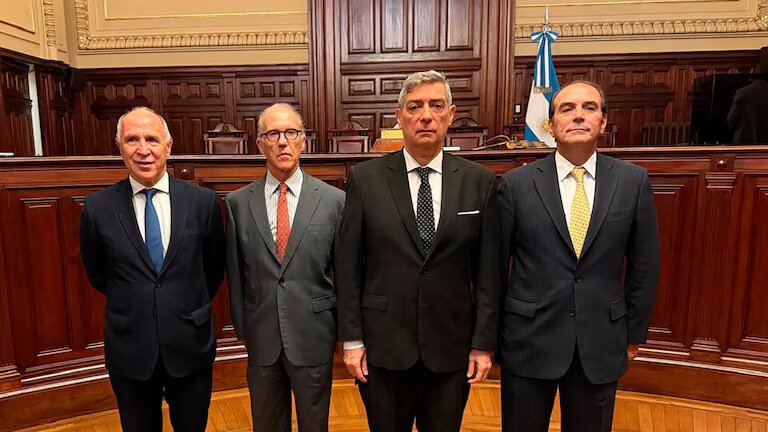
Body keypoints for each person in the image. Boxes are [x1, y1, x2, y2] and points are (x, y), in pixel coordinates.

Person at [336, 70, 500, 432]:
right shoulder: (365, 179)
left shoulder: (479, 181)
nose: (426, 115)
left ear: (451, 115)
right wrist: (352, 339)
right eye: (415, 107)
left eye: (436, 105)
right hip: (382, 348)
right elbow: (348, 267)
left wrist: (483, 344)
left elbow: (489, 273)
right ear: (400, 117)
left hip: (451, 349)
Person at [497, 80, 661, 431]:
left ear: (603, 121)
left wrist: (633, 333)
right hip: (528, 340)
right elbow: (495, 269)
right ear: (551, 123)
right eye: (567, 108)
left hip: (601, 340)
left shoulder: (632, 182)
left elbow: (644, 266)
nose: (578, 116)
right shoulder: (516, 184)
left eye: (589, 108)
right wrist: (492, 337)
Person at [79, 106, 225, 431]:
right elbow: (98, 274)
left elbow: (213, 270)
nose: (143, 149)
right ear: (119, 147)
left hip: (190, 345)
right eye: (132, 139)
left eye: (152, 139)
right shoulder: (98, 207)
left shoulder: (202, 202)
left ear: (168, 146)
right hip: (130, 349)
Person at [224, 103, 345, 432]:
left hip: (314, 335)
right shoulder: (237, 203)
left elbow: (345, 274)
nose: (282, 141)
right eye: (273, 134)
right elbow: (235, 274)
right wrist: (243, 328)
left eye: (291, 133)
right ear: (259, 143)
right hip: (261, 337)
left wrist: (342, 332)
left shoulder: (334, 201)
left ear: (303, 140)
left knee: (314, 425)